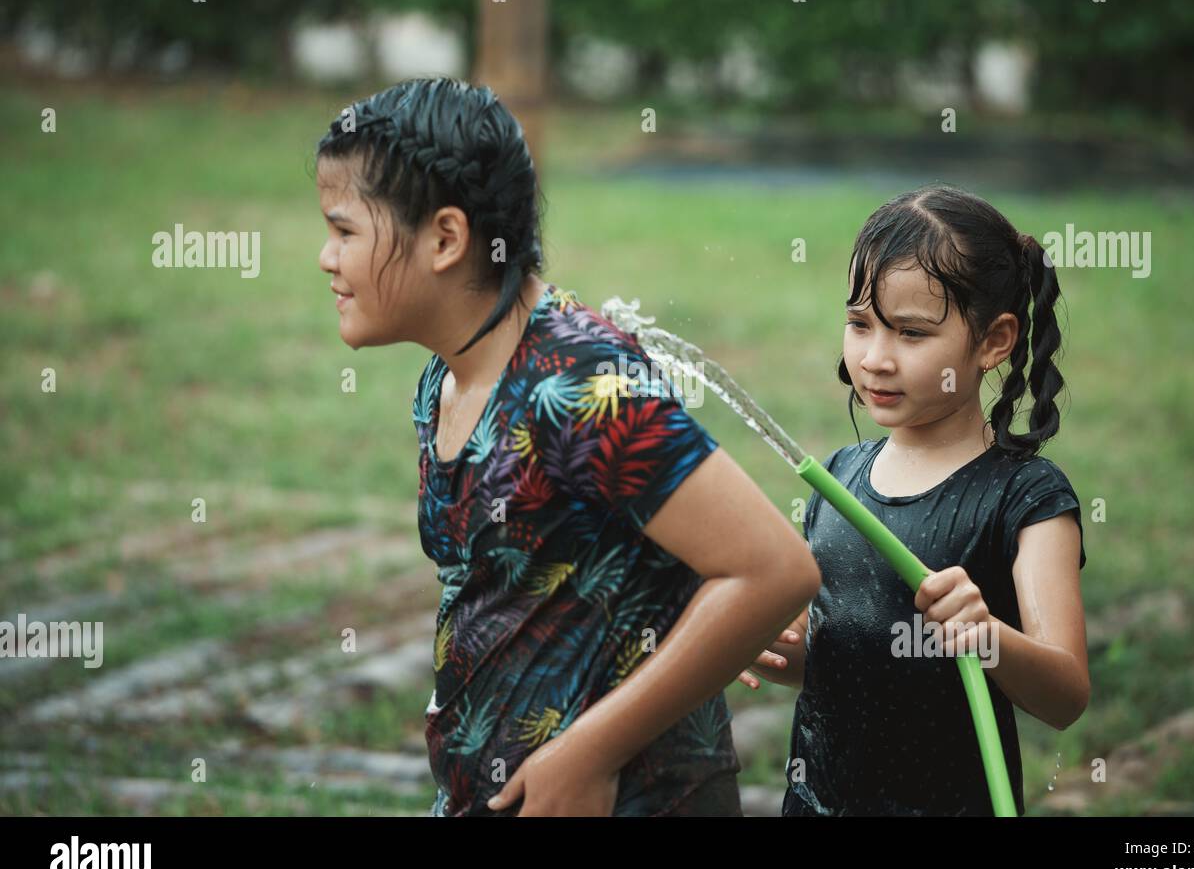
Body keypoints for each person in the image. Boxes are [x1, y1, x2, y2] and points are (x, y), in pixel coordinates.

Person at [314, 77, 822, 816]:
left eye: (345, 231)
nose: (326, 258)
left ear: (447, 239)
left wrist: (588, 753)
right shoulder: (444, 379)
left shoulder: (580, 384)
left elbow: (773, 571)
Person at [740, 185, 1090, 816]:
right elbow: (834, 660)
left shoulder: (1024, 499)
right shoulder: (841, 480)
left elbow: (1065, 695)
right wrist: (771, 646)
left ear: (993, 341)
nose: (875, 359)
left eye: (911, 333)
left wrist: (988, 637)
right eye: (859, 324)